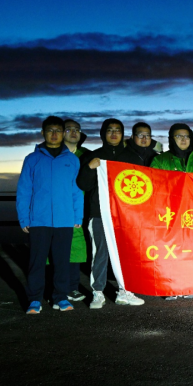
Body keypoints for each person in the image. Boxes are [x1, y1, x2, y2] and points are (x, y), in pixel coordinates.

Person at [17, 116, 83, 314]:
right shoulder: (32, 159)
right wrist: (24, 218)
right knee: (36, 262)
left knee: (62, 262)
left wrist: (77, 216)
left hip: (65, 220)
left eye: (58, 130)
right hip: (39, 220)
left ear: (63, 133)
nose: (54, 134)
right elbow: (24, 190)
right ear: (43, 133)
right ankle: (34, 300)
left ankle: (60, 298)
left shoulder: (72, 160)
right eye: (50, 130)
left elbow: (76, 190)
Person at [77, 118, 145, 309]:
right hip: (99, 213)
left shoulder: (132, 157)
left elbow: (143, 186)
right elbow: (83, 185)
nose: (114, 134)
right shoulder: (93, 156)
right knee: (100, 253)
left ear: (123, 134)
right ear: (103, 133)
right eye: (109, 130)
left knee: (126, 254)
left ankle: (125, 291)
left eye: (117, 130)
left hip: (126, 216)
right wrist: (89, 168)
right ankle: (98, 292)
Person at [151, 123, 193, 300]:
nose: (183, 140)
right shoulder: (160, 160)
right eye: (179, 136)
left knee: (191, 249)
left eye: (186, 136)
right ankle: (170, 286)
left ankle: (188, 284)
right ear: (172, 139)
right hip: (169, 212)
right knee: (171, 250)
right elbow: (154, 185)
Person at [61, 119, 90, 302]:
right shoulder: (51, 153)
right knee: (56, 249)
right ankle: (57, 288)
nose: (73, 132)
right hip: (57, 208)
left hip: (81, 209)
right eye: (69, 129)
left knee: (76, 248)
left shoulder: (86, 155)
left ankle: (72, 287)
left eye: (77, 129)